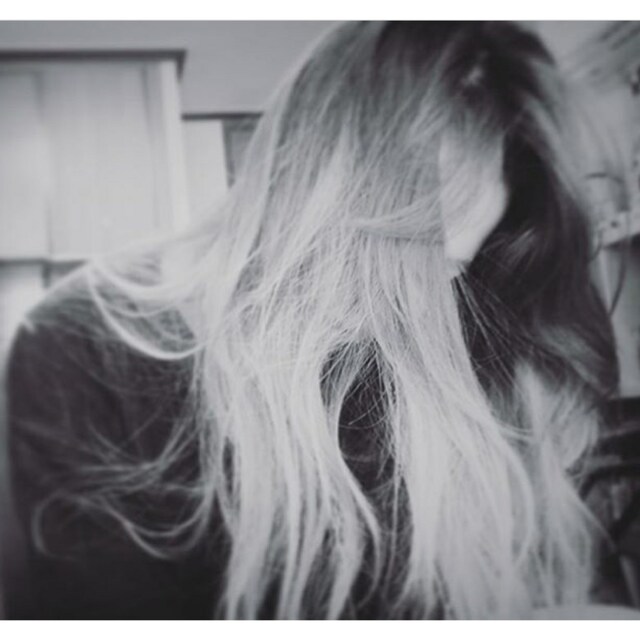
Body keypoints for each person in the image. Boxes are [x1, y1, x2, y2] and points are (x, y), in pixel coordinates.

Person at [1, 21, 630, 619]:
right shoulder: (87, 347)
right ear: (302, 203)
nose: (430, 308)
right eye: (404, 260)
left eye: (456, 268)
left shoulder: (462, 336)